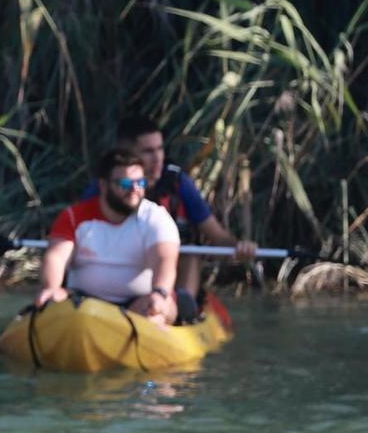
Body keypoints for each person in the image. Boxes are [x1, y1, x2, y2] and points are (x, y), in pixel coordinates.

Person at [80, 116, 257, 321]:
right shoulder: (105, 187)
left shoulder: (177, 183)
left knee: (190, 248)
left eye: (159, 149)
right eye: (147, 151)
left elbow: (216, 234)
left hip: (170, 272)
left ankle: (182, 307)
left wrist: (240, 246)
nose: (157, 159)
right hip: (122, 267)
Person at [32, 147, 182, 325]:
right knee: (54, 301)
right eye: (125, 184)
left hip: (141, 303)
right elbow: (56, 256)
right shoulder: (74, 216)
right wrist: (52, 288)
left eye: (140, 183)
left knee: (158, 311)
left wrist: (160, 292)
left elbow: (164, 259)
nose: (135, 190)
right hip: (83, 304)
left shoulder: (156, 218)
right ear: (103, 185)